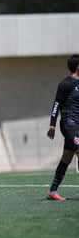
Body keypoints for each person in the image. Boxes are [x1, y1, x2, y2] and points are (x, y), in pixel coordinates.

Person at [46, 54, 79, 201]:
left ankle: (52, 191)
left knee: (66, 158)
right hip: (68, 123)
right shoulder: (66, 83)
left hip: (77, 125)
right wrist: (52, 124)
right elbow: (56, 104)